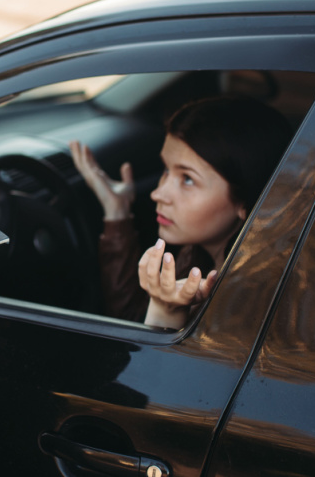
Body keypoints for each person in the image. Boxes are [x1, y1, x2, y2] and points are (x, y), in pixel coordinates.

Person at [70, 95, 293, 328]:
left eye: (187, 179)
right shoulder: (197, 253)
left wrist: (167, 314)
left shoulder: (248, 305)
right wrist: (117, 211)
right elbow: (133, 320)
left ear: (245, 202)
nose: (158, 194)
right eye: (166, 169)